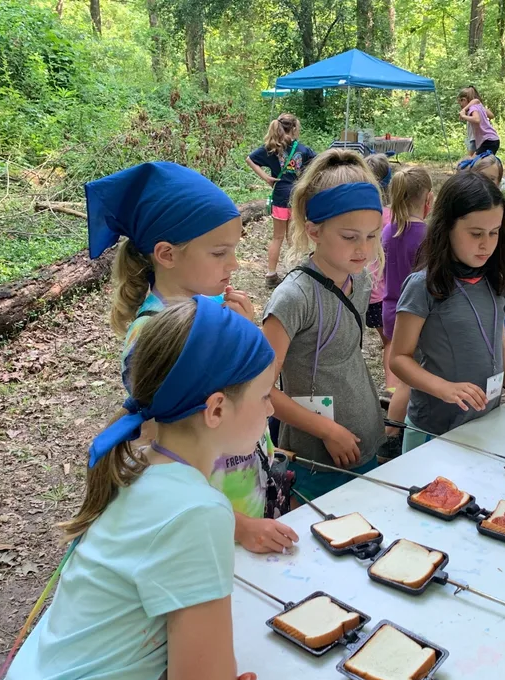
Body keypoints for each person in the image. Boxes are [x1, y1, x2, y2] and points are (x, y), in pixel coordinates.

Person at [0, 298, 272, 680]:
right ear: (216, 409)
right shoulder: (198, 511)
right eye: (265, 396)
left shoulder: (133, 469)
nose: (271, 408)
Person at [86, 161, 298, 553]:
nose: (234, 264)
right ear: (167, 254)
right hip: (207, 524)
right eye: (219, 252)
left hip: (244, 496)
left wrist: (248, 333)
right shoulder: (152, 333)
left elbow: (254, 388)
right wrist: (240, 527)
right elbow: (161, 453)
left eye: (234, 250)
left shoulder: (213, 309)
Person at [390, 172, 505, 455]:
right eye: (476, 234)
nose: (486, 244)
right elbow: (399, 359)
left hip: (485, 422)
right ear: (447, 228)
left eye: (494, 233)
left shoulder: (494, 277)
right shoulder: (423, 285)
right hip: (434, 431)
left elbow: (498, 344)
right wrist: (444, 388)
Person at [262, 150, 386, 500]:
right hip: (315, 461)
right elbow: (258, 389)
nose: (364, 249)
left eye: (372, 236)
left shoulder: (359, 280)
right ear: (314, 231)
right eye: (350, 237)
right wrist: (327, 430)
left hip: (365, 445)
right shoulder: (294, 298)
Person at [378, 166, 433, 462]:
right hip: (414, 314)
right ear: (428, 199)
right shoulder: (426, 235)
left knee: (405, 374)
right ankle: (391, 437)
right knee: (409, 381)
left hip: (390, 307)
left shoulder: (389, 230)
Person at [245, 114, 316, 289]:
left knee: (277, 237)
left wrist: (266, 177)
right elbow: (318, 163)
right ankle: (294, 273)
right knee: (293, 237)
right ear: (294, 128)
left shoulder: (272, 148)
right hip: (296, 197)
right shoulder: (303, 149)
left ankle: (271, 274)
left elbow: (250, 159)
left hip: (279, 196)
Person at [363, 153, 396, 393]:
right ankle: (392, 389)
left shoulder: (360, 215)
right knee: (391, 342)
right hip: (385, 293)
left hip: (363, 291)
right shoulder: (393, 217)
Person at [458, 87, 500, 156]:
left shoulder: (473, 108)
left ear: (464, 100)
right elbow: (476, 101)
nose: (461, 106)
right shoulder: (477, 106)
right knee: (481, 159)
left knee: (472, 159)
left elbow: (477, 119)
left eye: (460, 102)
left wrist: (464, 115)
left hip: (487, 140)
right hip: (489, 139)